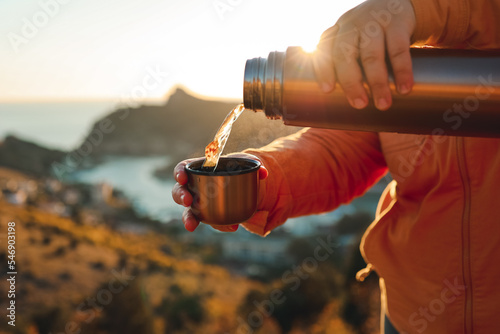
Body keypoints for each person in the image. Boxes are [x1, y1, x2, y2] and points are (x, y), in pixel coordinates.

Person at [172, 0, 500, 332]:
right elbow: (341, 151)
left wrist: (426, 9)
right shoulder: (400, 53)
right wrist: (260, 183)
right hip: (410, 315)